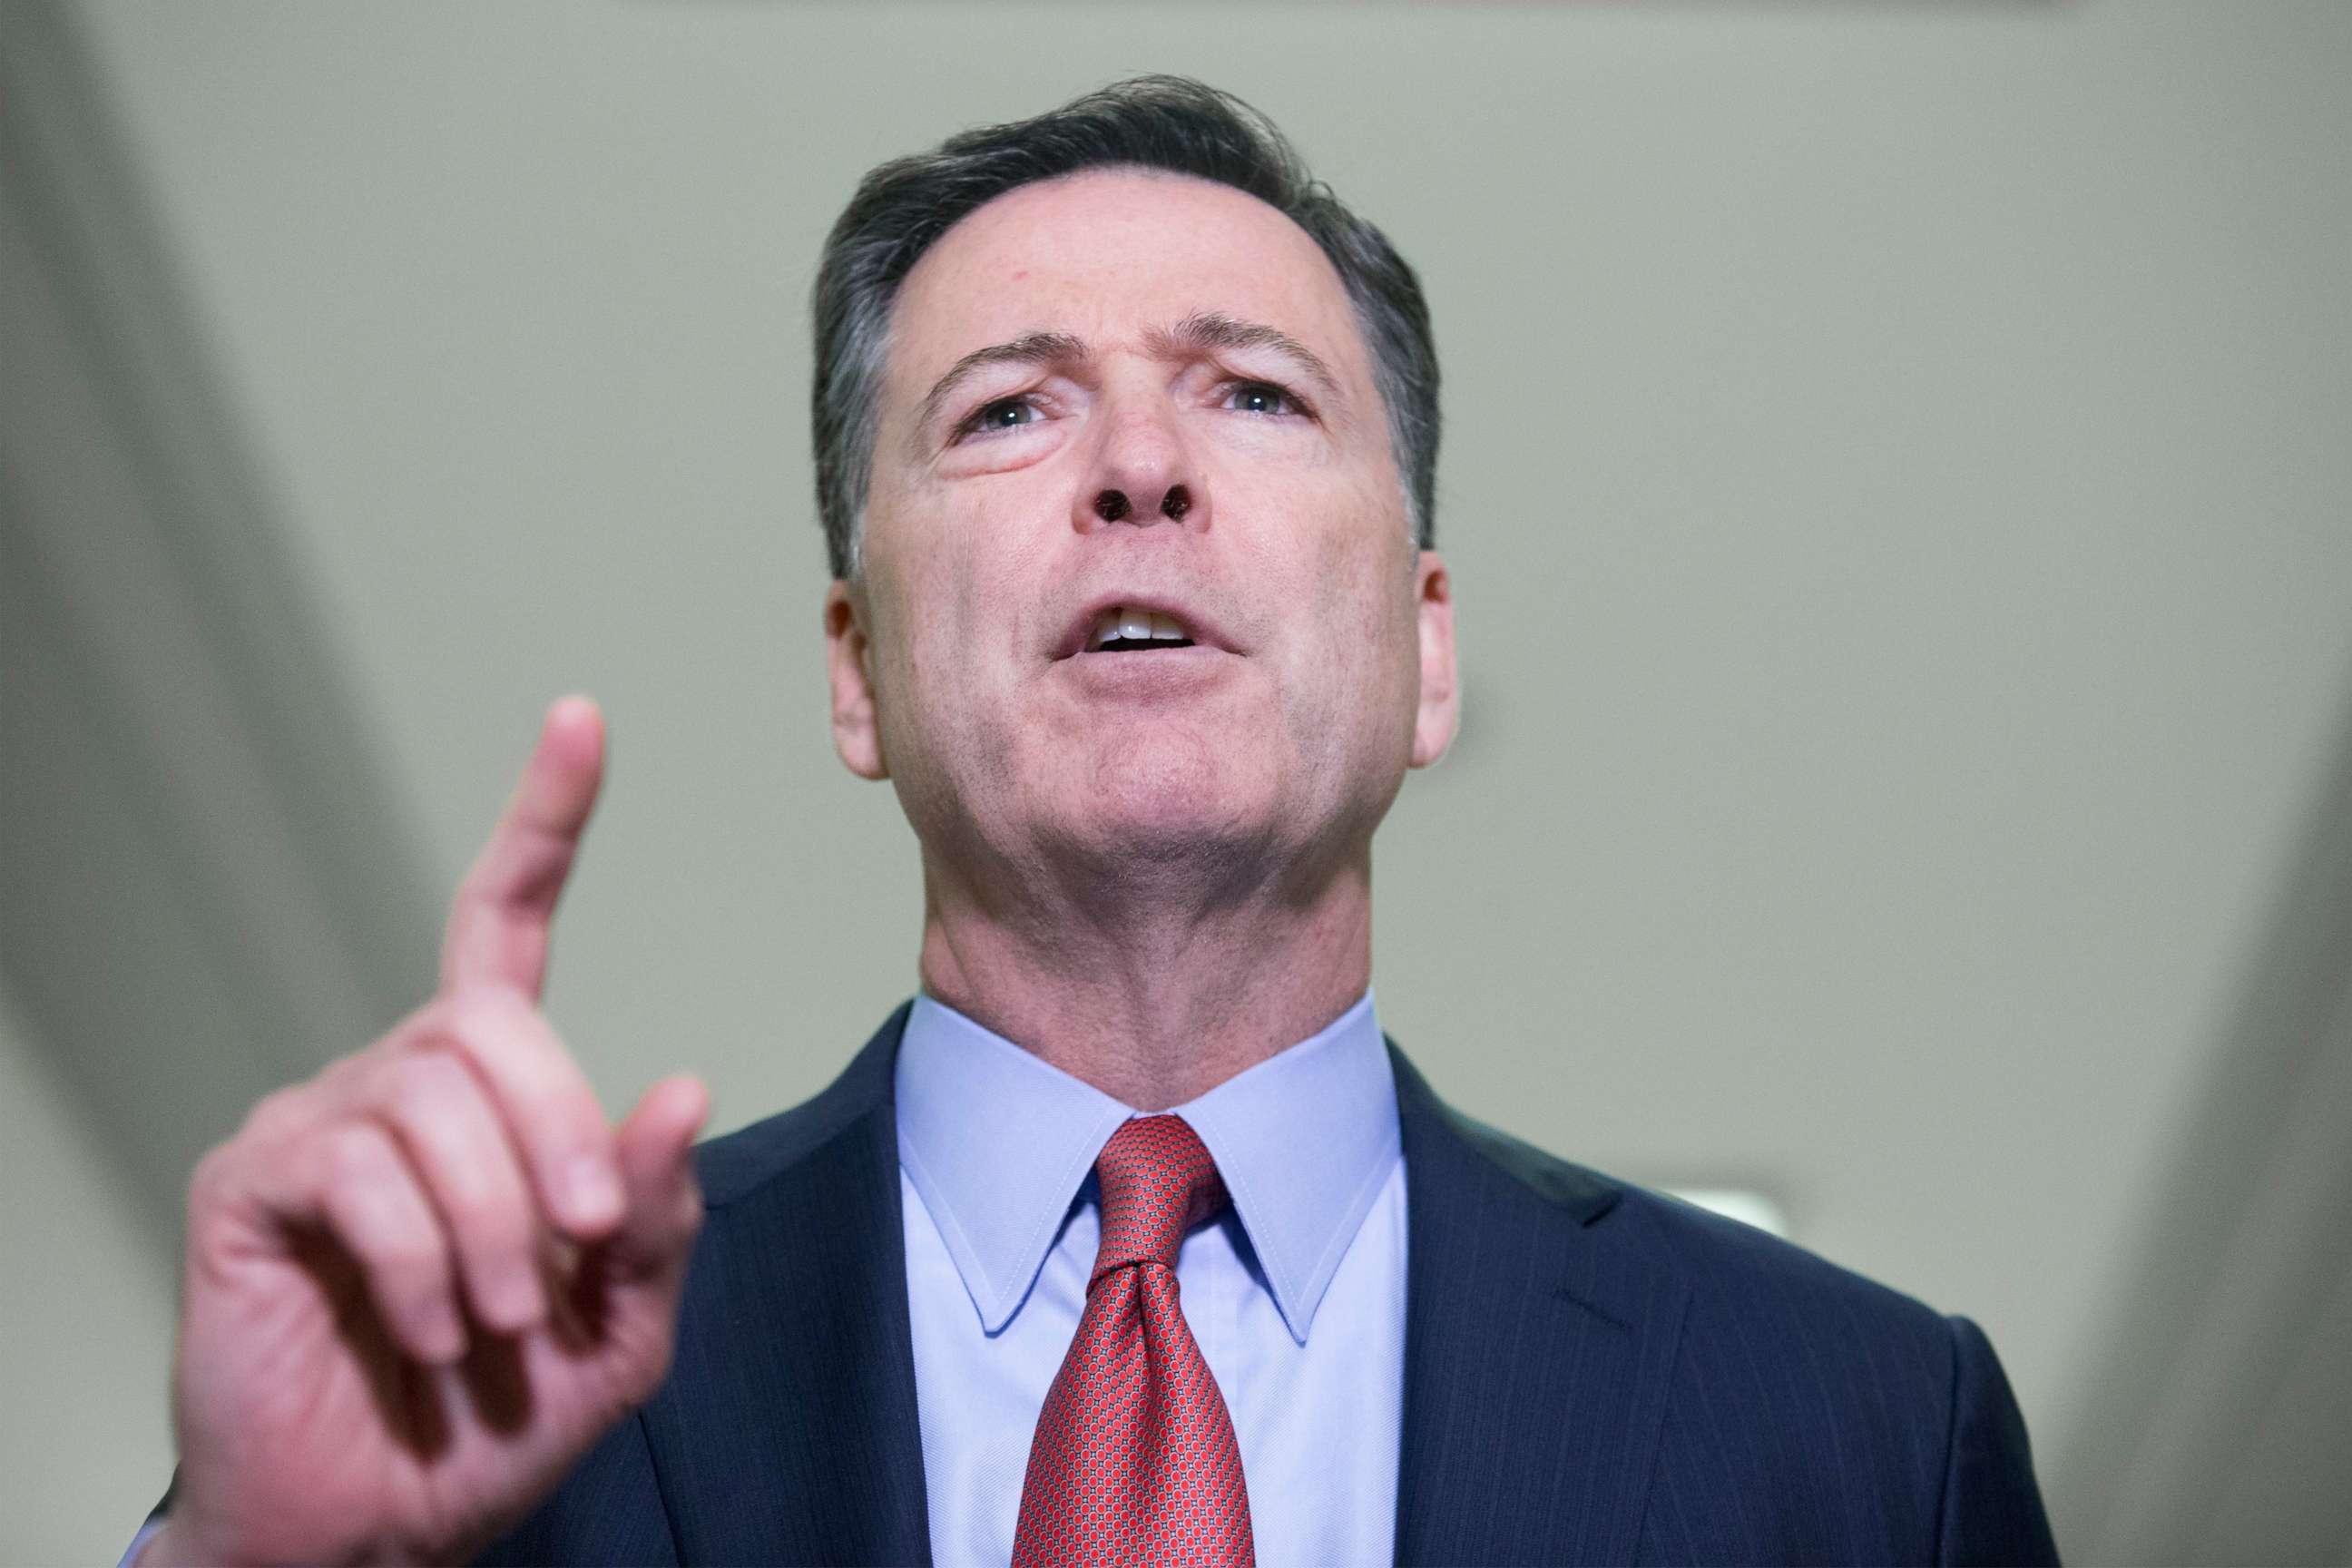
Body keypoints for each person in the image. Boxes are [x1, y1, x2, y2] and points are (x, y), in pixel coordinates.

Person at [131, 76, 2058, 1567]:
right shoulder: (499, 1393)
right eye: (1009, 413)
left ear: (1427, 646)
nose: (1140, 467)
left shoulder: (1868, 1426)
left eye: (1253, 395)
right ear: (857, 670)